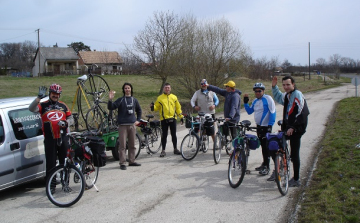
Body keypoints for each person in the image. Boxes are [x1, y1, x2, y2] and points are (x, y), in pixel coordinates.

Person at [28, 84, 74, 186]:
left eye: (57, 94)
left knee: (64, 162)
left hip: (63, 137)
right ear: (49, 93)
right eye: (53, 93)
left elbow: (71, 119)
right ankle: (51, 187)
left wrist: (66, 123)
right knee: (51, 164)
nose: (55, 96)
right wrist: (38, 98)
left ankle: (65, 184)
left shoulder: (63, 105)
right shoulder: (43, 105)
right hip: (50, 139)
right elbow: (31, 109)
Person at [272, 75, 309, 187]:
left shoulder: (297, 94)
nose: (286, 87)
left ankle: (296, 179)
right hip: (288, 128)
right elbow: (279, 98)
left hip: (297, 129)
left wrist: (293, 127)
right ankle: (279, 168)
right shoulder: (288, 96)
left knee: (294, 154)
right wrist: (274, 87)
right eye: (284, 85)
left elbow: (302, 112)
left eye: (288, 84)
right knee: (275, 143)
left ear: (293, 84)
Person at [243, 83, 276, 177]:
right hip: (259, 127)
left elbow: (273, 112)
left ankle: (268, 167)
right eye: (256, 91)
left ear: (263, 91)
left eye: (259, 91)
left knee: (267, 146)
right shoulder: (255, 101)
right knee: (262, 146)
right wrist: (245, 103)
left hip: (266, 127)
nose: (257, 92)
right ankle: (264, 163)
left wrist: (270, 125)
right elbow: (249, 112)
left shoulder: (268, 99)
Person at [108, 83, 142, 170]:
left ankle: (132, 161)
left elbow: (139, 110)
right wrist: (110, 99)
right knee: (122, 145)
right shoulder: (121, 100)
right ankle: (122, 163)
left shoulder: (134, 100)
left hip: (132, 125)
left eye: (128, 88)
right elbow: (111, 107)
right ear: (124, 90)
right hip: (122, 125)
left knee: (132, 144)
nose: (127, 89)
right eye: (125, 88)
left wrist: (138, 120)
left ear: (131, 89)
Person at [150, 83, 184, 157]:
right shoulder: (160, 98)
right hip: (164, 119)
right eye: (166, 88)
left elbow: (178, 108)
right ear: (163, 89)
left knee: (173, 134)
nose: (167, 89)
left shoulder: (174, 97)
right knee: (164, 135)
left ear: (170, 88)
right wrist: (153, 107)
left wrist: (181, 116)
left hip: (173, 118)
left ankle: (175, 149)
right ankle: (163, 150)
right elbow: (156, 107)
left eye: (168, 88)